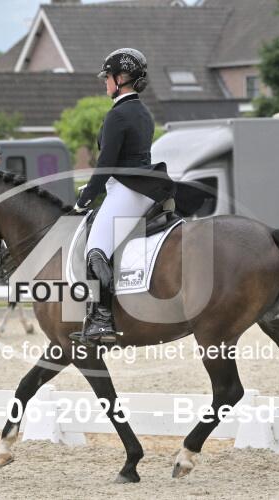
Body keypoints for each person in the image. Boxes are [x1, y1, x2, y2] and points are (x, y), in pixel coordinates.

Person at [69, 48, 175, 346]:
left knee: (95, 251)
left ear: (121, 78)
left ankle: (102, 320)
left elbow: (106, 165)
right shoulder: (143, 112)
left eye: (108, 77)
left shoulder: (117, 115)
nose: (105, 83)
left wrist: (84, 200)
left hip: (127, 191)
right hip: (145, 189)